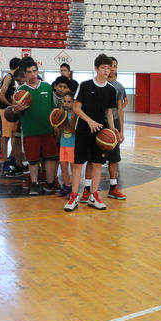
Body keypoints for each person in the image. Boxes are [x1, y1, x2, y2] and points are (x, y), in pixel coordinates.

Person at [64, 53, 117, 212]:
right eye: (103, 68)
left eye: (109, 68)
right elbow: (75, 108)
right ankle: (74, 196)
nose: (106, 71)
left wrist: (114, 130)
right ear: (96, 68)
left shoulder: (111, 90)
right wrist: (90, 121)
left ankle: (94, 195)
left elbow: (108, 112)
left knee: (97, 164)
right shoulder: (85, 85)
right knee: (78, 164)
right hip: (83, 130)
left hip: (101, 133)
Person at [12, 58, 59, 195]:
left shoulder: (47, 87)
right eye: (29, 72)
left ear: (38, 72)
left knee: (51, 157)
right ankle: (34, 183)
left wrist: (57, 125)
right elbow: (14, 112)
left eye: (34, 71)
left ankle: (49, 183)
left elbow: (53, 108)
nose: (32, 75)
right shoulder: (20, 91)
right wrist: (16, 109)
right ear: (24, 74)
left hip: (48, 129)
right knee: (32, 160)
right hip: (30, 131)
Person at [105, 56, 127, 199]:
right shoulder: (96, 84)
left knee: (114, 158)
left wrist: (122, 131)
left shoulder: (119, 87)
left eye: (115, 66)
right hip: (99, 123)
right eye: (110, 66)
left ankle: (113, 187)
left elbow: (120, 111)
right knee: (94, 159)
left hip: (115, 124)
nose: (113, 69)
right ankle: (89, 189)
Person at [0, 57, 21, 161]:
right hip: (6, 110)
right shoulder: (9, 77)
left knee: (13, 136)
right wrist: (11, 105)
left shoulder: (11, 77)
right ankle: (5, 160)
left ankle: (11, 157)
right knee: (5, 136)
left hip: (10, 109)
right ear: (18, 67)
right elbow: (1, 96)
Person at [56, 92, 77, 198]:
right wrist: (56, 127)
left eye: (69, 102)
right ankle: (66, 187)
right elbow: (58, 132)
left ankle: (74, 189)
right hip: (63, 145)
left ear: (74, 102)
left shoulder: (76, 115)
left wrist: (63, 126)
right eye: (64, 101)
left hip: (73, 146)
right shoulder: (61, 114)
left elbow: (74, 130)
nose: (66, 104)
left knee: (74, 169)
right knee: (63, 168)